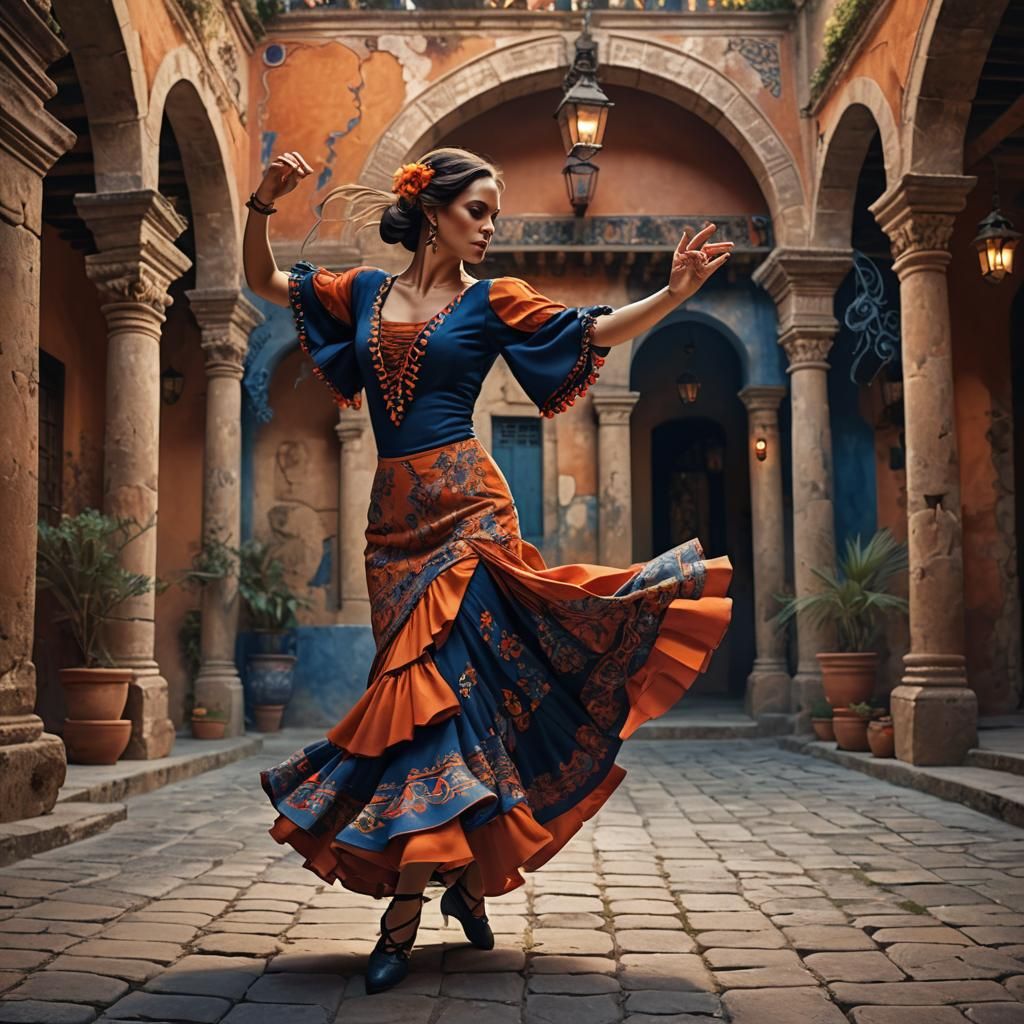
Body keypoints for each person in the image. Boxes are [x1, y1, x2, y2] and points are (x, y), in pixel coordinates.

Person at [244, 146, 734, 995]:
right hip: (391, 529)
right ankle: (467, 882)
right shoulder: (360, 292)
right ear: (432, 211)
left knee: (435, 694)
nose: (491, 226)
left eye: (496, 214)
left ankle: (400, 920)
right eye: (479, 210)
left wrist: (675, 292)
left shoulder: (493, 300)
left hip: (469, 518)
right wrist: (261, 201)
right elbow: (263, 279)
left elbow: (587, 330)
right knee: (444, 705)